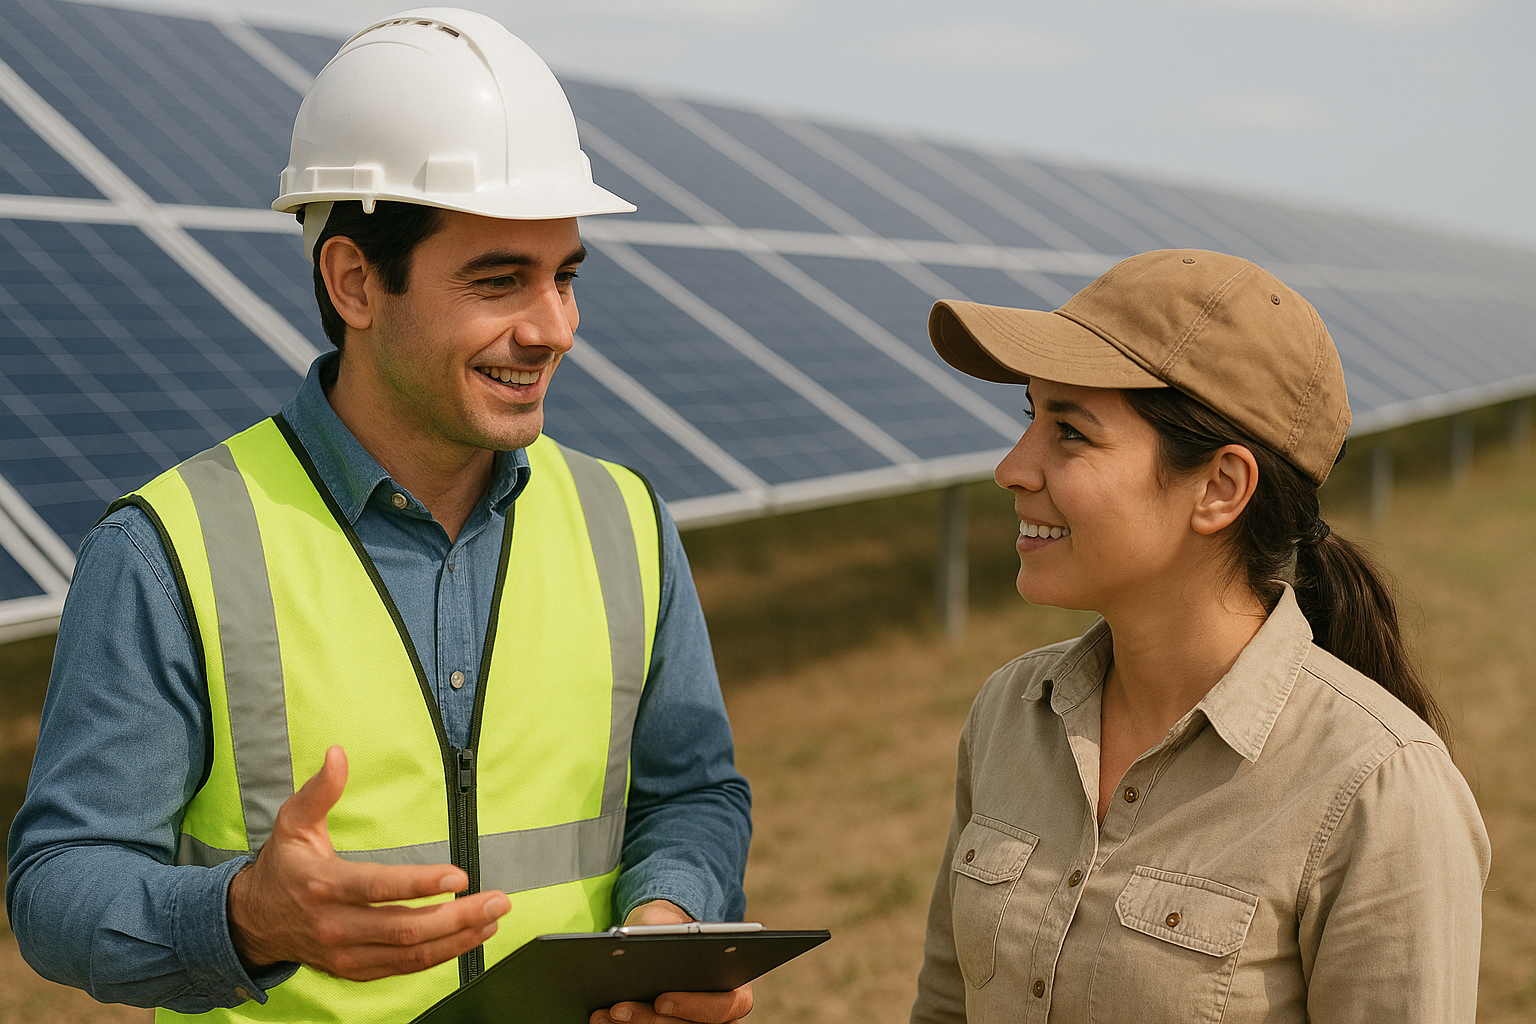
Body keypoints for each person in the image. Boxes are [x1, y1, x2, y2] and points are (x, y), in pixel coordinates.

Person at [7, 10, 753, 1024]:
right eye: (499, 281)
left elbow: (693, 793)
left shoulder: (625, 521)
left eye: (565, 276)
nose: (554, 327)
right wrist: (242, 918)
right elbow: (56, 885)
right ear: (354, 281)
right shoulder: (168, 546)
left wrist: (664, 922)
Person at [909, 249, 1490, 1023]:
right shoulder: (1009, 712)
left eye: (1071, 433)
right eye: (1030, 420)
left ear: (1219, 488)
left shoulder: (1381, 791)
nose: (1013, 469)